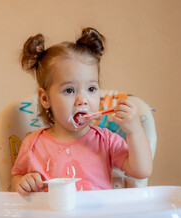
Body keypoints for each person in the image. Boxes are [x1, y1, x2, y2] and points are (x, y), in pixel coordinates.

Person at [11, 27, 152, 196]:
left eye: (91, 88)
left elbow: (141, 171)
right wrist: (22, 182)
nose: (83, 100)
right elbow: (15, 179)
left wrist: (134, 130)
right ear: (45, 98)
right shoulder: (32, 144)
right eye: (69, 90)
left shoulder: (105, 141)